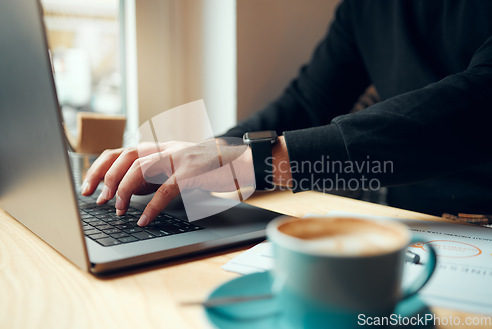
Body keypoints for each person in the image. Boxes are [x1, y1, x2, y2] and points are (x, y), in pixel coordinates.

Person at [82, 0, 492, 226]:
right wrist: (204, 156)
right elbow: (308, 103)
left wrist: (254, 162)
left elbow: (476, 106)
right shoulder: (363, 8)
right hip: (411, 225)